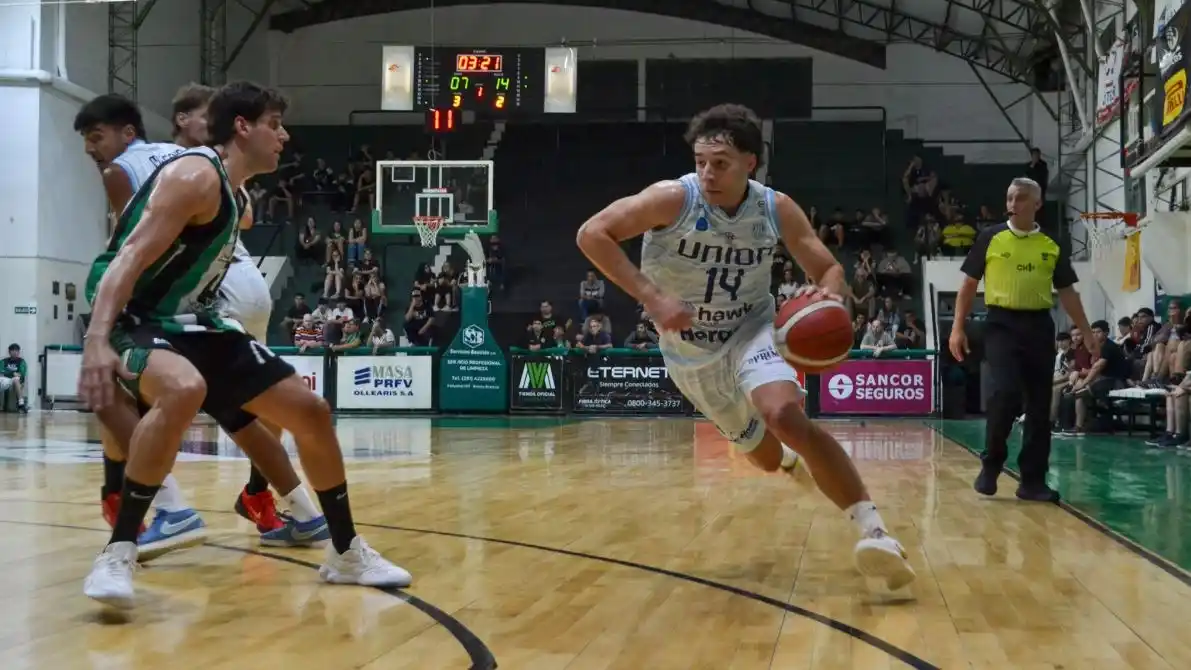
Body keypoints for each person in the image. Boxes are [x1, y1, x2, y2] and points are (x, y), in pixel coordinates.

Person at [79, 81, 410, 608]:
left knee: (312, 412)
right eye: (274, 123)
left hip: (196, 320)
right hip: (134, 315)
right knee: (182, 389)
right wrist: (97, 339)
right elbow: (129, 255)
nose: (284, 135)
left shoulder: (235, 192)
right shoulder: (195, 174)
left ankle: (346, 553)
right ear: (242, 126)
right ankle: (118, 551)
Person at [575, 103, 915, 590]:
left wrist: (830, 293)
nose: (708, 173)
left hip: (752, 330)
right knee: (767, 458)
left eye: (721, 163)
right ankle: (790, 460)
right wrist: (652, 297)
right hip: (690, 354)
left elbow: (830, 269)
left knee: (784, 416)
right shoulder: (673, 199)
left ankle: (876, 532)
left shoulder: (775, 208)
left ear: (750, 163)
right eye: (701, 162)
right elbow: (593, 233)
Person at [75, 89, 330, 556]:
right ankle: (298, 506)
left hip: (197, 290)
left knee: (106, 384)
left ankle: (164, 506)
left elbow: (129, 246)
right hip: (244, 285)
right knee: (241, 406)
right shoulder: (213, 165)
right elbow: (246, 217)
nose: (91, 150)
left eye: (95, 138)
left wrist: (102, 323)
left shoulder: (132, 168)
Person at [948, 177, 1095, 502]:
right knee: (1006, 392)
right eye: (1010, 197)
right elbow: (968, 285)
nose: (1013, 203)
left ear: (1037, 204)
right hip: (1001, 323)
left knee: (1040, 408)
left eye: (1021, 198)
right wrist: (957, 327)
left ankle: (1032, 480)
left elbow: (1068, 293)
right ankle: (992, 463)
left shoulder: (1051, 245)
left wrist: (1085, 331)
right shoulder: (991, 238)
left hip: (1039, 325)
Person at [0, 344, 28, 413]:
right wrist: (12, 373)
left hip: (15, 381)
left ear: (19, 352)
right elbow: (1, 371)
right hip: (4, 380)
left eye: (17, 350)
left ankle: (21, 404)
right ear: (9, 352)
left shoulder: (22, 361)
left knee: (16, 379)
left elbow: (22, 374)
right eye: (13, 350)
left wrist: (8, 372)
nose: (15, 352)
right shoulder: (4, 361)